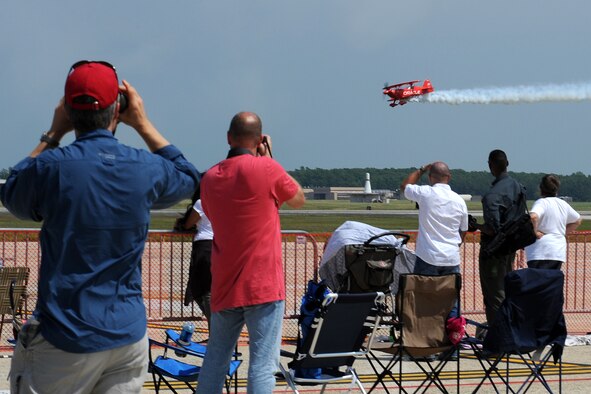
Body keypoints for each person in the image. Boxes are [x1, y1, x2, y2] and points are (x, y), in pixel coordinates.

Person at [0, 60, 199, 393]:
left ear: (66, 110)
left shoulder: (52, 167)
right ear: (117, 110)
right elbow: (190, 178)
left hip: (64, 334)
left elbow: (13, 192)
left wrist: (53, 134)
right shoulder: (144, 168)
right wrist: (143, 124)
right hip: (126, 335)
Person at [196, 112, 305, 393]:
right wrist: (269, 157)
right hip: (263, 284)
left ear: (229, 138)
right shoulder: (266, 169)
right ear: (260, 140)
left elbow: (209, 214)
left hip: (224, 283)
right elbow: (297, 200)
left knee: (216, 358)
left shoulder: (208, 177)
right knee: (262, 363)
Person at [469, 149, 526, 327]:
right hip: (510, 248)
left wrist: (475, 226)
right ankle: (510, 331)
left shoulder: (492, 195)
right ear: (507, 164)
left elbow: (492, 229)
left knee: (494, 295)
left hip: (494, 252)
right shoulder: (518, 188)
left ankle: (499, 339)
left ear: (490, 165)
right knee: (506, 290)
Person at [401, 162, 469, 275]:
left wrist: (422, 170)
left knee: (423, 292)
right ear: (449, 177)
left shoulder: (425, 193)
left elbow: (405, 187)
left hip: (427, 257)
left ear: (430, 177)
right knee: (450, 293)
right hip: (451, 259)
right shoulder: (459, 201)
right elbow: (464, 229)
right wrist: (454, 247)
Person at [175, 182, 214, 329]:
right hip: (220, 246)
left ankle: (214, 326)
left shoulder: (201, 202)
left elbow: (188, 223)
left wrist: (184, 223)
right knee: (211, 288)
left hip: (204, 246)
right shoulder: (222, 199)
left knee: (202, 289)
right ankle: (217, 325)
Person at [524, 174, 582, 269]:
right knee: (552, 280)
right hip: (557, 251)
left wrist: (535, 233)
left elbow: (533, 217)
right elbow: (578, 220)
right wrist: (561, 233)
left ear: (541, 188)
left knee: (537, 281)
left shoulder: (542, 202)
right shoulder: (563, 204)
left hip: (539, 251)